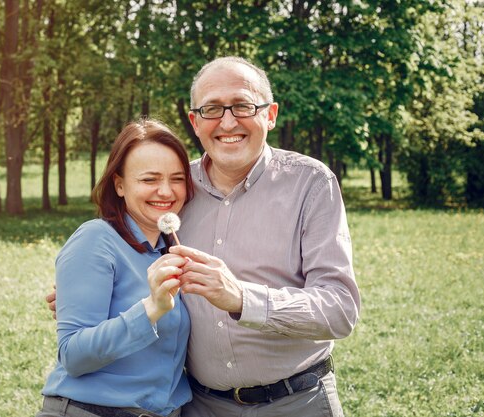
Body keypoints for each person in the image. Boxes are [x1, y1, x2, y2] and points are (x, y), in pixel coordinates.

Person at [47, 57, 360, 417]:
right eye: (212, 109)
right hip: (201, 405)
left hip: (297, 400)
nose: (228, 122)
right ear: (195, 122)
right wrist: (83, 293)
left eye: (243, 105)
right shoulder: (175, 190)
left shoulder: (311, 184)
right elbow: (127, 255)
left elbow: (340, 308)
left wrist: (242, 298)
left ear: (270, 114)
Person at [36, 119, 194, 417]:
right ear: (119, 185)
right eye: (149, 180)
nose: (166, 191)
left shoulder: (173, 250)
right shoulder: (96, 238)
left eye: (177, 179)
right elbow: (73, 355)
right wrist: (151, 308)